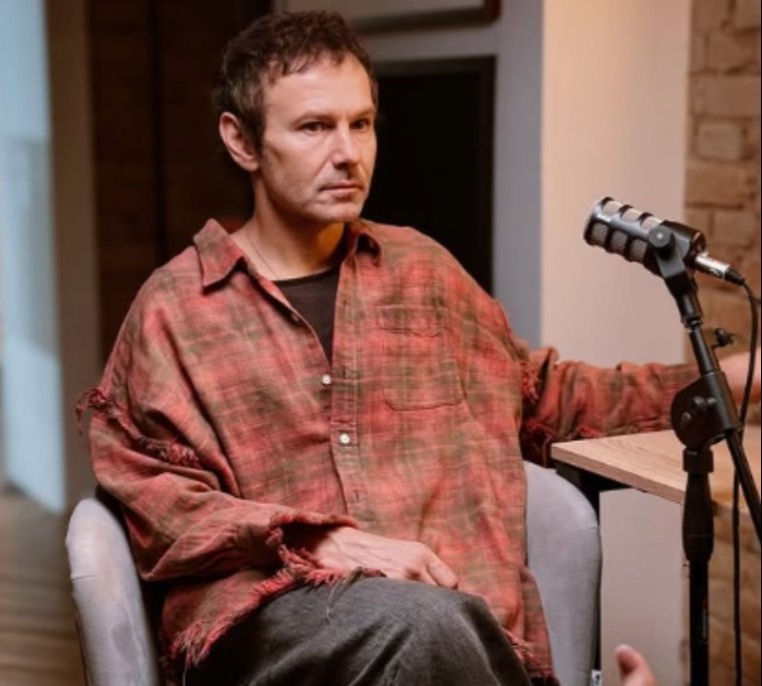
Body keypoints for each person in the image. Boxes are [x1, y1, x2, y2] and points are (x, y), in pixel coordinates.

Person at [80, 10, 760, 685]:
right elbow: (152, 495)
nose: (348, 153)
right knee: (421, 624)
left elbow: (549, 397)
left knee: (437, 626)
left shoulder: (422, 272)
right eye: (314, 127)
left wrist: (732, 379)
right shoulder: (175, 310)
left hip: (452, 633)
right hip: (275, 626)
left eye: (361, 123)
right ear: (241, 141)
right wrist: (317, 540)